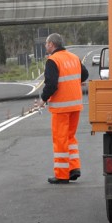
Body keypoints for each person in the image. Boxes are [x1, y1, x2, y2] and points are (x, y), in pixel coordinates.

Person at [37, 33, 89, 184]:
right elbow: (84, 74)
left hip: (61, 107)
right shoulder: (73, 57)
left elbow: (51, 84)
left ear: (52, 45)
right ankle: (74, 168)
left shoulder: (53, 60)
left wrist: (43, 99)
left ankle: (61, 174)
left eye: (46, 44)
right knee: (70, 137)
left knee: (60, 139)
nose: (46, 46)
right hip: (75, 105)